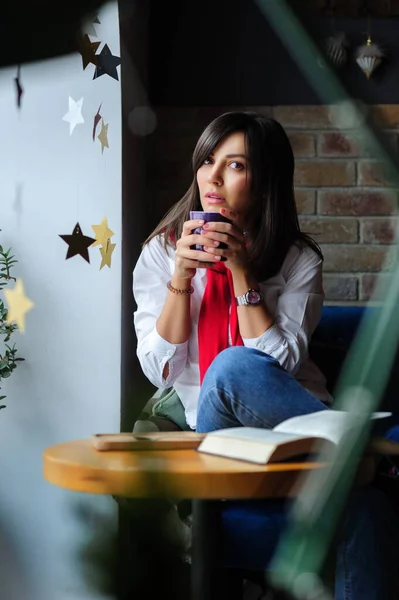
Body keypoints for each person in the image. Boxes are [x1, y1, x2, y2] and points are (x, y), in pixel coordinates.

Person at [133, 111, 399, 599]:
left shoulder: (297, 260)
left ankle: (360, 465)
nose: (212, 177)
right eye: (208, 161)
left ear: (264, 181)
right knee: (230, 366)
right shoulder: (159, 253)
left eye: (234, 165)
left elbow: (284, 366)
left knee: (368, 510)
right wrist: (180, 279)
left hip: (288, 429)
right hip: (210, 430)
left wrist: (241, 273)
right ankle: (372, 452)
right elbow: (159, 371)